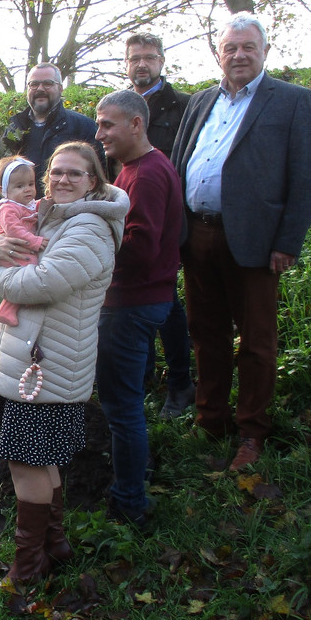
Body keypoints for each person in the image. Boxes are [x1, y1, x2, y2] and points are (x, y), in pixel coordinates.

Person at [170, 13, 311, 471]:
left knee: (257, 342)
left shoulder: (292, 101)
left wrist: (288, 242)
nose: (239, 55)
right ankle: (210, 420)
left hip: (256, 242)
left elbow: (307, 177)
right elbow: (181, 162)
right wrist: (178, 233)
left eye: (248, 47)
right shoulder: (200, 101)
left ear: (264, 51)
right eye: (230, 48)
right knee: (206, 333)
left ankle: (252, 432)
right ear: (218, 54)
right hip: (198, 235)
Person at [0, 142, 128, 585]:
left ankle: (27, 565)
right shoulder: (50, 217)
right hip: (28, 360)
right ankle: (53, 544)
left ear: (93, 181)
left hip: (47, 367)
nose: (60, 179)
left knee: (26, 464)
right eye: (55, 172)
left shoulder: (89, 229)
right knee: (41, 461)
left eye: (73, 174)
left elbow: (40, 282)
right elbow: (4, 247)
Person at [93, 90, 183, 526]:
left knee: (120, 403)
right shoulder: (132, 170)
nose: (100, 133)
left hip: (131, 303)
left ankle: (130, 501)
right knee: (128, 398)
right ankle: (135, 470)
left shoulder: (145, 175)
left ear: (136, 124)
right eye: (98, 123)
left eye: (108, 124)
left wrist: (87, 254)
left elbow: (141, 247)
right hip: (142, 300)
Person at [125, 31, 195, 418]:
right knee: (134, 295)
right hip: (125, 213)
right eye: (135, 58)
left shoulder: (183, 107)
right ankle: (144, 377)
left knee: (165, 300)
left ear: (162, 61)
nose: (142, 65)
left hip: (168, 218)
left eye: (149, 58)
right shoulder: (119, 107)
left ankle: (181, 383)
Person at [0, 63, 103, 195]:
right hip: (23, 218)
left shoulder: (83, 127)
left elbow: (101, 176)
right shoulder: (15, 127)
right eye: (34, 84)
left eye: (47, 83)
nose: (40, 89)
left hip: (66, 216)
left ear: (60, 88)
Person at [0, 156, 45, 327]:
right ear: (3, 190)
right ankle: (7, 309)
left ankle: (22, 302)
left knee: (29, 271)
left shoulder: (26, 204)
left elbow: (37, 206)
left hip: (21, 248)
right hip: (12, 251)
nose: (27, 190)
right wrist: (35, 241)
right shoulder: (7, 208)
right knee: (30, 270)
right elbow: (15, 231)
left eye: (30, 184)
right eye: (20, 186)